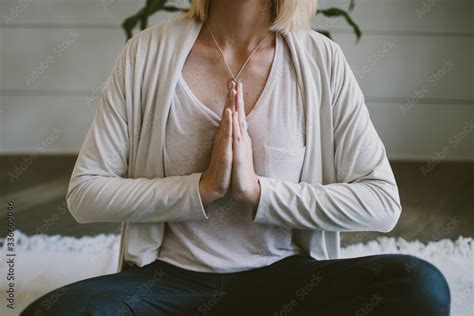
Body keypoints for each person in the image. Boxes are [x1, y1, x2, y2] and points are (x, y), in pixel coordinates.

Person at [21, 0, 450, 315]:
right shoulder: (145, 54)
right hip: (168, 284)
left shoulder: (322, 61)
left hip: (285, 283)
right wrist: (201, 189)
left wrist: (257, 192)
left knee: (419, 286)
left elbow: (381, 203)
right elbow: (86, 194)